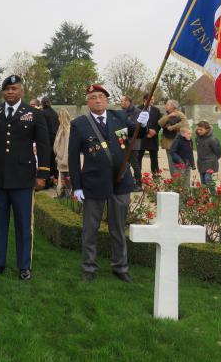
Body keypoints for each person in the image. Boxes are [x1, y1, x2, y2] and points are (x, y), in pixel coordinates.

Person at [68, 84, 149, 283]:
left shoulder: (119, 117)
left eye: (101, 97)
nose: (98, 100)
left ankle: (120, 267)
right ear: (87, 102)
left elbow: (137, 133)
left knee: (118, 227)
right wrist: (76, 186)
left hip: (120, 181)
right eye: (93, 97)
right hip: (93, 182)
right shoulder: (79, 124)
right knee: (90, 228)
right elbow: (72, 158)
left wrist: (144, 125)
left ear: (106, 99)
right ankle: (89, 267)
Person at [0, 75, 50, 281]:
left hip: (23, 178)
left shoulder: (33, 113)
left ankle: (24, 266)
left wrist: (43, 174)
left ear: (21, 91)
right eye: (7, 89)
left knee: (23, 224)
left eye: (14, 88)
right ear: (2, 92)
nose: (10, 92)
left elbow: (44, 145)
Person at [119, 94, 142, 191]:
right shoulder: (122, 112)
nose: (121, 103)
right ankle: (127, 182)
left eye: (122, 101)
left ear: (128, 102)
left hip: (133, 142)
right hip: (123, 141)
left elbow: (136, 127)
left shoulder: (137, 112)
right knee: (124, 163)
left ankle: (138, 184)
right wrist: (121, 141)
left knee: (134, 163)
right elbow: (120, 126)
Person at [136, 93, 161, 178]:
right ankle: (138, 175)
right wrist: (147, 132)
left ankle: (155, 174)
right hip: (142, 137)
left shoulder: (156, 110)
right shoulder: (138, 109)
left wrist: (155, 131)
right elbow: (137, 123)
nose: (153, 101)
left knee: (154, 157)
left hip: (153, 137)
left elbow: (159, 123)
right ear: (145, 100)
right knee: (139, 157)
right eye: (151, 99)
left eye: (153, 99)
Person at [158, 99, 188, 169]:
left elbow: (184, 123)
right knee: (170, 162)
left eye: (167, 104)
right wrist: (168, 116)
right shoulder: (166, 114)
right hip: (168, 141)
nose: (165, 105)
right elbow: (160, 123)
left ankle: (178, 178)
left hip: (176, 141)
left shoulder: (179, 114)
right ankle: (174, 178)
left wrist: (173, 127)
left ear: (173, 106)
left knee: (177, 162)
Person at [195, 121, 221, 187]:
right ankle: (204, 196)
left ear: (207, 129)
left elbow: (218, 152)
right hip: (201, 163)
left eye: (201, 130)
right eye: (198, 129)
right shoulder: (198, 138)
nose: (199, 131)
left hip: (210, 163)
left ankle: (213, 195)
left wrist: (212, 159)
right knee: (203, 183)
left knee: (208, 180)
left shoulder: (212, 139)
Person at [40, 97, 59, 188]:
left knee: (46, 161)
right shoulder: (55, 113)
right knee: (54, 161)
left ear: (42, 104)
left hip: (46, 140)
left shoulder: (42, 113)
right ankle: (54, 181)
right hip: (55, 140)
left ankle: (46, 183)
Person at [53, 108, 72, 197]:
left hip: (65, 157)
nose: (58, 118)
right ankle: (63, 193)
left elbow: (67, 146)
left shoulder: (67, 129)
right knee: (63, 176)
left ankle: (67, 195)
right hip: (60, 156)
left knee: (67, 176)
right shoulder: (61, 127)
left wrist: (65, 159)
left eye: (59, 117)